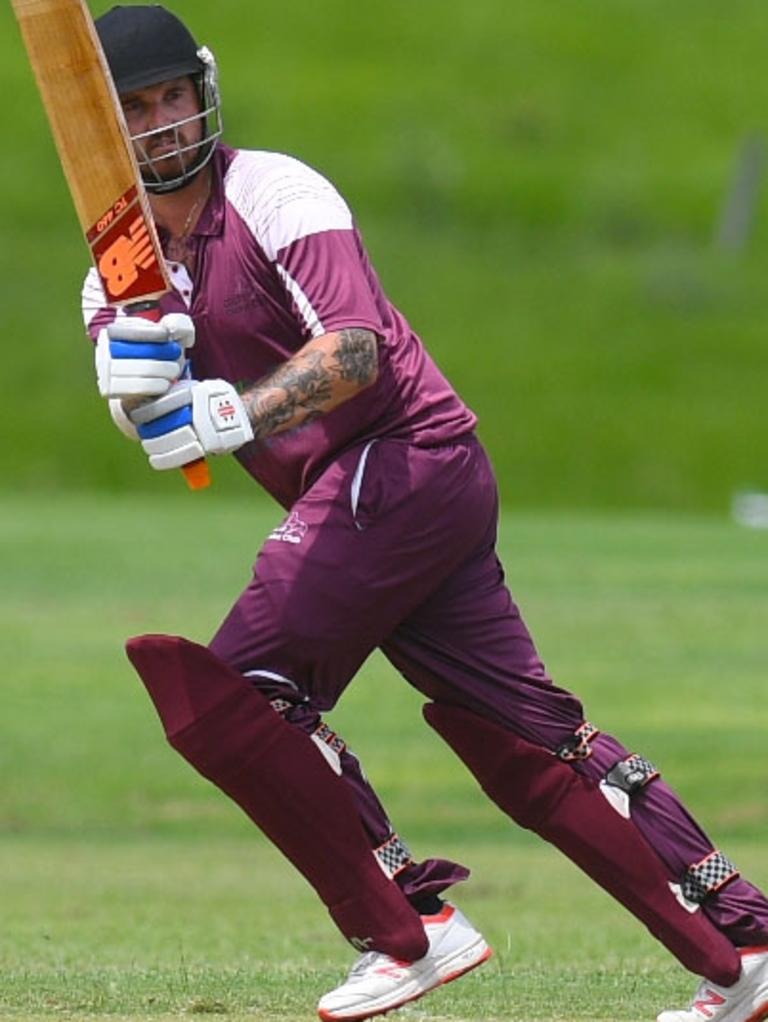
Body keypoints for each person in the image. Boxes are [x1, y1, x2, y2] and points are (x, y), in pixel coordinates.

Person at [83, 7, 768, 1021]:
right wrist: (129, 385)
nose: (164, 122)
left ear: (203, 90)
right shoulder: (113, 259)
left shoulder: (275, 189)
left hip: (402, 458)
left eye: (174, 96)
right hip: (388, 495)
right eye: (135, 109)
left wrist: (233, 407)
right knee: (531, 743)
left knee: (239, 687)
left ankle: (410, 924)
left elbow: (354, 347)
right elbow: (149, 408)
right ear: (102, 128)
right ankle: (744, 951)